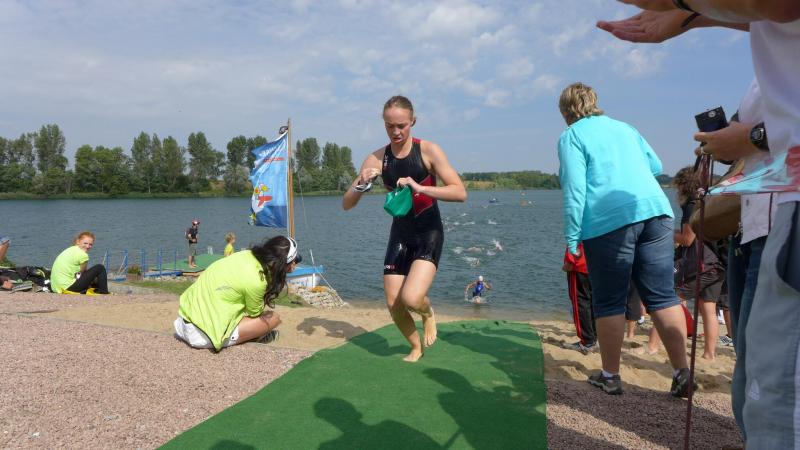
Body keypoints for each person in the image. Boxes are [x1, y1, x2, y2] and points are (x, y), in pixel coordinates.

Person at [598, 2, 799, 444]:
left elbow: (780, 8)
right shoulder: (769, 53)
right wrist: (691, 18)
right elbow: (772, 15)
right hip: (756, 226)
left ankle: (629, 368)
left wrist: (683, 9)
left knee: (777, 392)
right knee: (753, 371)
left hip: (782, 222)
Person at [557, 82, 692, 396]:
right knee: (663, 296)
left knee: (609, 301)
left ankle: (610, 375)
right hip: (656, 211)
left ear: (565, 111)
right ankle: (682, 372)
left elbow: (575, 190)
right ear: (594, 102)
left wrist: (572, 237)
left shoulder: (571, 136)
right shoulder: (625, 128)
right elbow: (656, 165)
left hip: (609, 220)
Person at [342, 95, 467, 362]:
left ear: (413, 122)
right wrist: (361, 183)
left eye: (402, 125)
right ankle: (415, 347)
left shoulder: (428, 150)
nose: (396, 131)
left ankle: (427, 313)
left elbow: (460, 192)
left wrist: (420, 187)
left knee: (412, 298)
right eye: (390, 126)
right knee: (393, 302)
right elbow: (347, 204)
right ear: (384, 124)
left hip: (429, 232)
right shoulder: (376, 158)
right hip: (400, 234)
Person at [173, 235, 300, 351]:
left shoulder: (246, 254)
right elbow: (254, 313)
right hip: (201, 336)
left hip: (183, 321)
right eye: (293, 260)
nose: (294, 263)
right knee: (273, 318)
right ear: (283, 264)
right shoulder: (257, 281)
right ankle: (252, 338)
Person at [672, 166, 726, 361]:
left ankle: (655, 345)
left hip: (702, 264)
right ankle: (710, 354)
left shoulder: (691, 205)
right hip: (717, 262)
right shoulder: (708, 201)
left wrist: (667, 233)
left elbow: (687, 239)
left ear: (683, 186)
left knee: (672, 300)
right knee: (709, 309)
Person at [562, 243, 596, 354]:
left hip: (580, 265)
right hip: (595, 263)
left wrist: (570, 261)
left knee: (580, 302)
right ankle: (593, 338)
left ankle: (587, 342)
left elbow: (575, 237)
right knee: (592, 302)